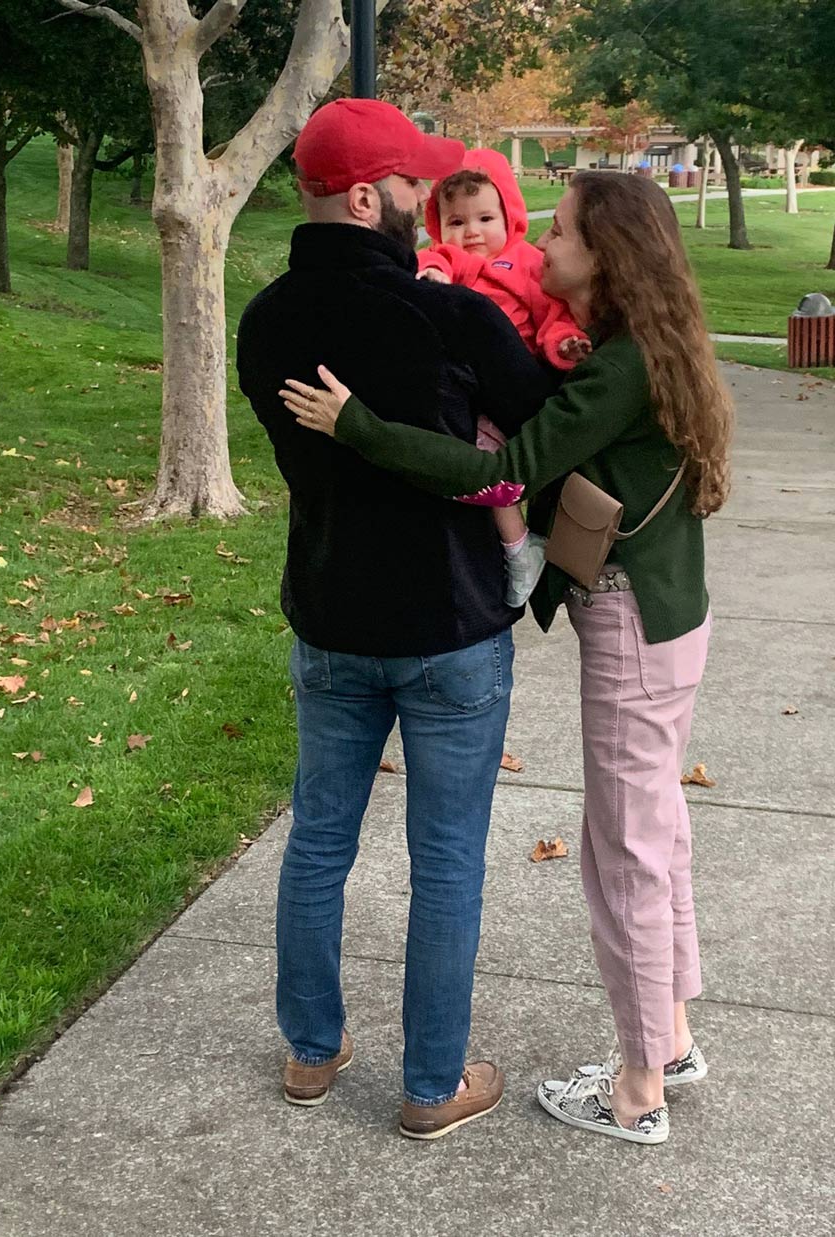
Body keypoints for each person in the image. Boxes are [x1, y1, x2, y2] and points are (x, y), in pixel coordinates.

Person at [281, 171, 734, 1145]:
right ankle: (674, 1038)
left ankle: (638, 1089)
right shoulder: (625, 350)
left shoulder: (617, 370)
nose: (539, 246)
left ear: (606, 257)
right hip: (662, 611)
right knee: (654, 833)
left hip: (635, 619)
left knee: (624, 854)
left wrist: (357, 425)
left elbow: (498, 474)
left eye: (561, 233)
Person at [236, 97, 557, 1140]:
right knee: (448, 855)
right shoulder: (447, 315)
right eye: (416, 187)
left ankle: (310, 1049)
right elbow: (539, 426)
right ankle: (431, 1085)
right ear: (369, 196)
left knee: (319, 836)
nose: (429, 204)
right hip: (450, 625)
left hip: (329, 613)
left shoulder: (266, 319)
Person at [416, 149, 590, 608]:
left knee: (486, 465)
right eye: (456, 222)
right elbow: (428, 269)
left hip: (516, 383)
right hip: (465, 387)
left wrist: (564, 343)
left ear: (509, 216)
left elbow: (554, 315)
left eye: (485, 218)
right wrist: (432, 272)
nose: (471, 232)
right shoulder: (445, 258)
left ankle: (519, 547)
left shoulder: (529, 264)